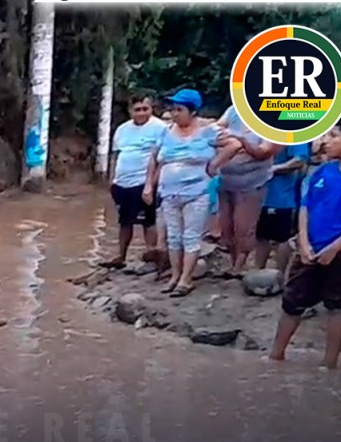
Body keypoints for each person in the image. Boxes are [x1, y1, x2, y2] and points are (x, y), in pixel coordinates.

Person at [268, 113, 341, 369]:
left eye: (333, 135)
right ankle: (275, 356)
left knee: (337, 304)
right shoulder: (325, 170)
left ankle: (329, 364)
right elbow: (306, 207)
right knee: (292, 301)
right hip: (310, 248)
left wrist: (335, 248)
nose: (325, 141)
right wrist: (305, 243)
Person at [143, 89, 237, 297]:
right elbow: (154, 157)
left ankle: (186, 279)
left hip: (196, 192)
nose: (175, 114)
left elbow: (234, 144)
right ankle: (175, 276)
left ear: (193, 112)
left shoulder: (208, 131)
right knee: (173, 236)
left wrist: (214, 165)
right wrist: (149, 184)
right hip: (169, 192)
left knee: (191, 236)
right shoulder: (166, 131)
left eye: (179, 110)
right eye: (173, 109)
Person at [215, 105, 282, 278]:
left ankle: (239, 266)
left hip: (252, 182)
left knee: (243, 226)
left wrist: (240, 141)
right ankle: (232, 261)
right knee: (226, 227)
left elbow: (263, 152)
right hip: (226, 179)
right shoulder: (234, 110)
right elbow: (218, 128)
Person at [101, 93, 165, 269]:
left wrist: (151, 184)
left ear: (152, 109)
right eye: (137, 110)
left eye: (146, 109)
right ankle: (120, 256)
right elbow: (116, 155)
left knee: (148, 221)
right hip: (122, 182)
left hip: (144, 182)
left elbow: (162, 159)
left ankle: (152, 256)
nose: (142, 113)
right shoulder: (122, 130)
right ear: (130, 111)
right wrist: (112, 179)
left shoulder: (160, 128)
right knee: (124, 221)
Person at [254, 143, 311, 280]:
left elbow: (299, 160)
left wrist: (273, 169)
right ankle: (257, 272)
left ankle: (280, 276)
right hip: (262, 194)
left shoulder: (293, 134)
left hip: (284, 197)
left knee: (283, 238)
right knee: (261, 236)